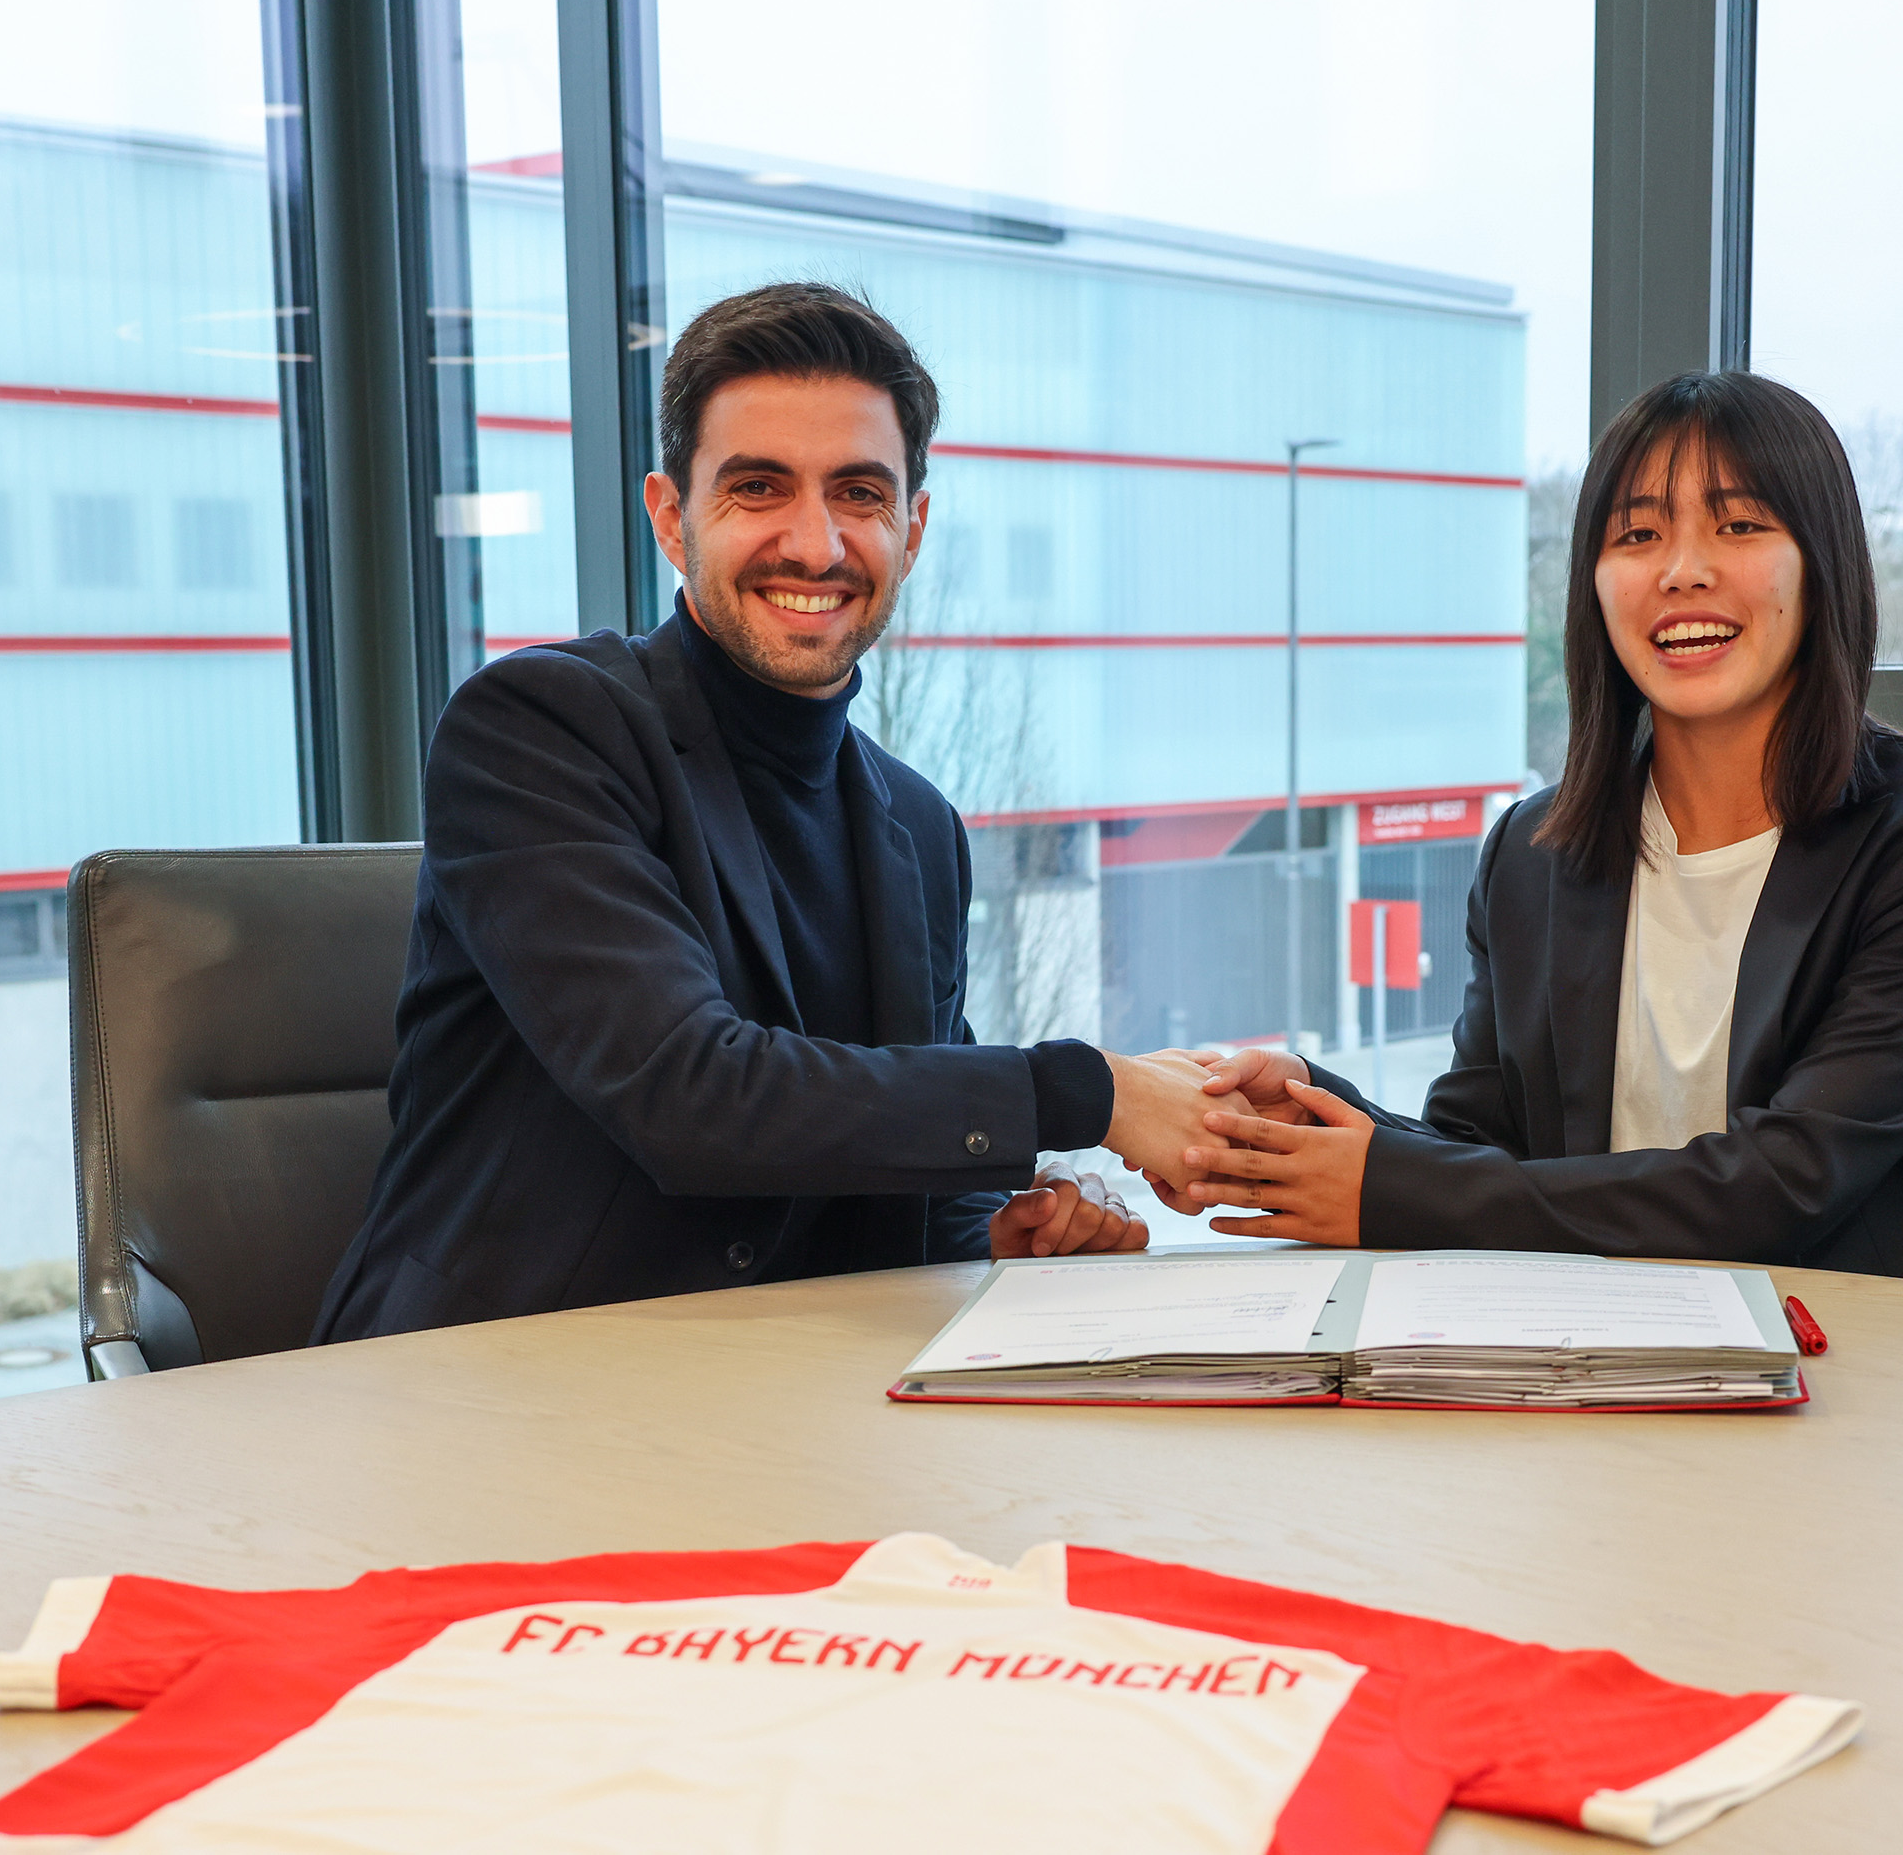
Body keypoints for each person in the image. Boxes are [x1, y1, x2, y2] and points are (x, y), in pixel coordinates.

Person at [316, 283, 1227, 1342]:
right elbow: (690, 1095)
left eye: (858, 493)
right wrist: (1094, 1091)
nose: (815, 543)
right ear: (671, 517)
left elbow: (909, 1190)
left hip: (793, 1398)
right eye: (758, 487)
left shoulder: (919, 828)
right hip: (497, 1385)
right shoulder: (540, 728)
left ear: (912, 530)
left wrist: (995, 1238)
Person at [1154, 371, 1903, 1290]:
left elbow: (1783, 1186)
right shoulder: (1533, 851)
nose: (1681, 570)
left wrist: (1391, 1189)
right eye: (1638, 534)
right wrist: (1313, 1111)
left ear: (1821, 564)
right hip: (1599, 1345)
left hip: (1876, 1354)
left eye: (1738, 525)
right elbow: (1478, 1151)